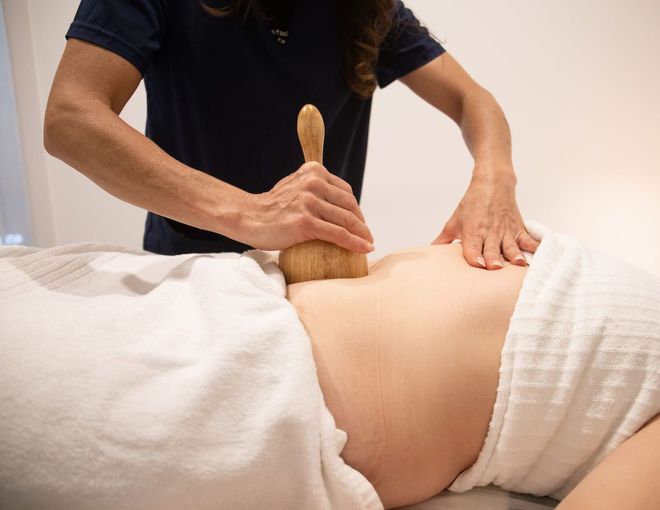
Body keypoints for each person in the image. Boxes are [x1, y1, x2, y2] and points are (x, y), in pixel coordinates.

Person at [44, 0, 540, 269]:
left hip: (324, 282)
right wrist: (250, 213)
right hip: (194, 274)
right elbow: (71, 117)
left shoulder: (368, 9)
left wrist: (495, 180)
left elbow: (473, 99)